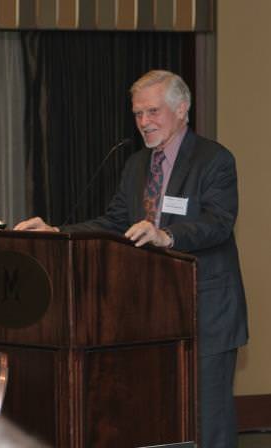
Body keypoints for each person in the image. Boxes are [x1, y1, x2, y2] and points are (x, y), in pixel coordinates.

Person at [14, 70, 248, 447]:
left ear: (182, 108)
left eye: (153, 112)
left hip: (207, 313)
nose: (143, 122)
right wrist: (58, 233)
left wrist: (166, 235)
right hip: (151, 316)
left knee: (208, 422)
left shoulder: (214, 159)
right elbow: (114, 222)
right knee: (162, 418)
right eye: (138, 114)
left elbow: (218, 223)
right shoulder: (138, 164)